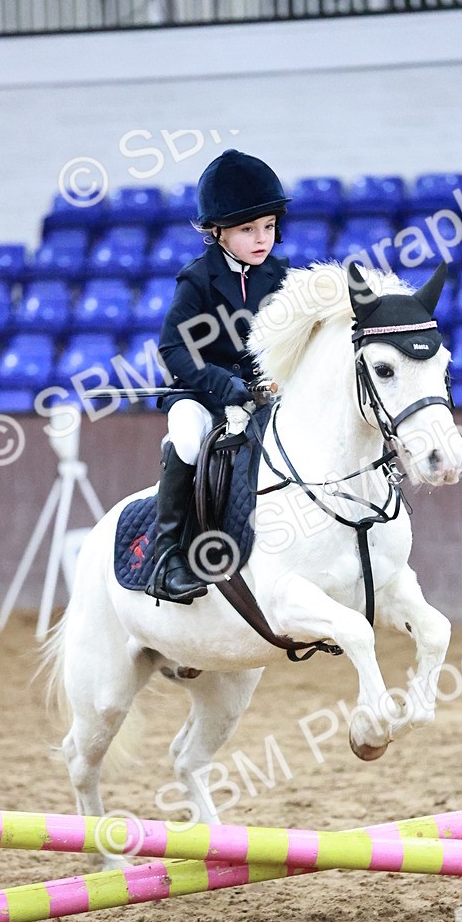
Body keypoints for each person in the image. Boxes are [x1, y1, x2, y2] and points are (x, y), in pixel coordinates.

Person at [145, 149, 291, 604]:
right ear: (217, 231)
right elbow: (172, 347)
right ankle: (166, 558)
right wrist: (217, 381)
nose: (261, 238)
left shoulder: (281, 276)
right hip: (199, 394)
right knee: (188, 440)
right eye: (248, 229)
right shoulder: (198, 279)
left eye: (267, 226)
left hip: (254, 395)